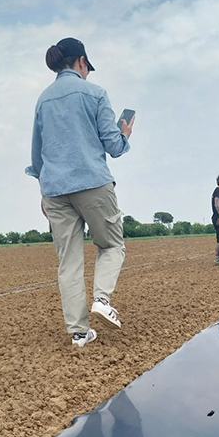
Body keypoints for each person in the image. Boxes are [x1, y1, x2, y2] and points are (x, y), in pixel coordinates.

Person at [26, 38, 135, 347]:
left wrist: (43, 189)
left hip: (55, 191)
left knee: (69, 262)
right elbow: (113, 146)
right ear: (82, 61)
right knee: (112, 245)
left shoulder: (43, 100)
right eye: (87, 67)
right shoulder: (96, 93)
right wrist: (124, 134)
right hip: (92, 183)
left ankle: (79, 332)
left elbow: (37, 155)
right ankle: (101, 299)